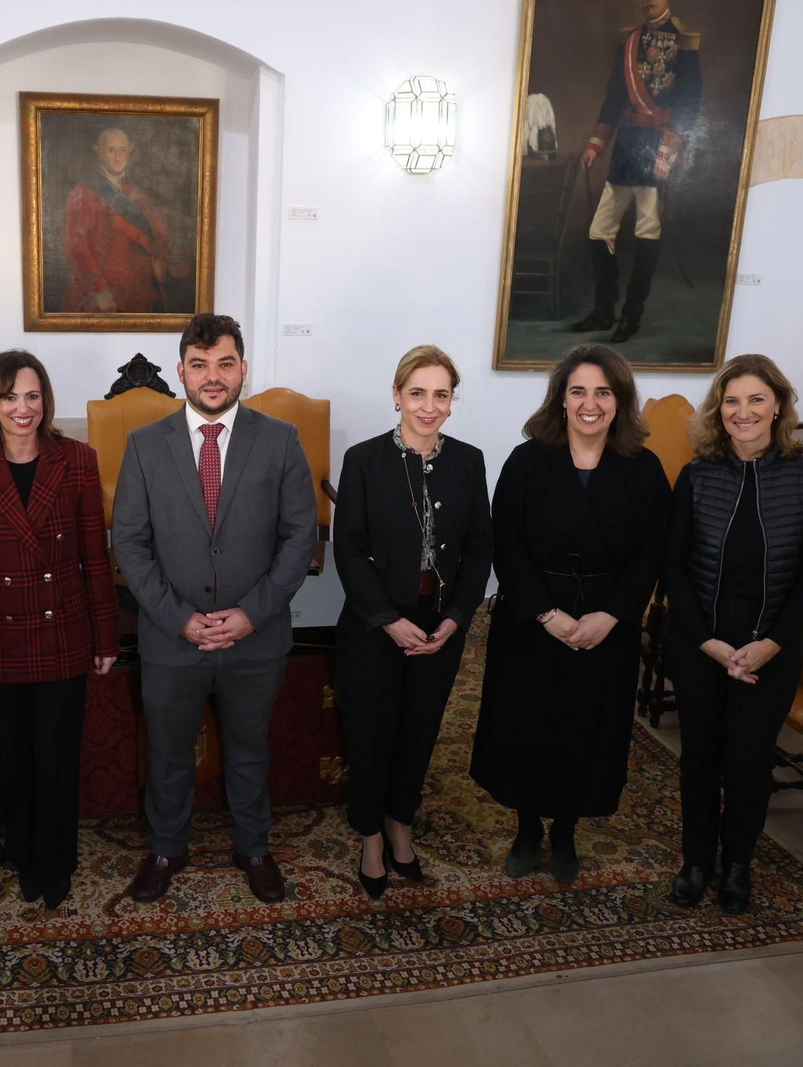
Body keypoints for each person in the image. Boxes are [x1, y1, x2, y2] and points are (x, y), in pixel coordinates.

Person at [112, 312, 317, 904]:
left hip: (255, 637)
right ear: (180, 372)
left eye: (225, 364)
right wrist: (178, 617)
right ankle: (165, 848)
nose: (212, 376)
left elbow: (299, 536)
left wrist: (251, 613)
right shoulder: (145, 446)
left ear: (243, 369)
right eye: (199, 365)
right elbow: (128, 542)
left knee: (250, 749)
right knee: (170, 752)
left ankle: (254, 846)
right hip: (172, 638)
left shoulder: (279, 439)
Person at [470, 345, 670, 884]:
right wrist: (544, 613)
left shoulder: (644, 469)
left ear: (620, 401)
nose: (590, 403)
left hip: (607, 625)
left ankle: (566, 833)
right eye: (578, 390)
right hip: (534, 622)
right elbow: (504, 541)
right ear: (561, 399)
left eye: (603, 392)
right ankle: (528, 827)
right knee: (527, 727)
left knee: (588, 730)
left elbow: (654, 550)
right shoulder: (527, 460)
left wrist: (613, 614)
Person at [0, 349, 119, 909]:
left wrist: (105, 636)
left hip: (63, 630)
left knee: (57, 753)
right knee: (13, 757)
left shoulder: (79, 460)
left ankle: (57, 859)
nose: (22, 408)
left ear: (46, 401)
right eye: (10, 396)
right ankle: (24, 853)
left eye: (32, 396)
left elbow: (97, 554)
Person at [663, 354, 803, 915]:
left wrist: (771, 643)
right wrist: (708, 642)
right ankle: (695, 861)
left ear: (778, 405)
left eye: (756, 400)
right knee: (700, 758)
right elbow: (674, 569)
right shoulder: (697, 474)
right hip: (702, 642)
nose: (743, 412)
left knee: (749, 761)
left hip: (772, 644)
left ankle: (737, 865)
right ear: (719, 409)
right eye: (732, 401)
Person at [334, 345, 493, 898]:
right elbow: (348, 551)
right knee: (372, 731)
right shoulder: (363, 459)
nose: (429, 406)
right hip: (374, 624)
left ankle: (402, 822)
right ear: (397, 396)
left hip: (439, 623)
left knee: (420, 729)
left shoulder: (469, 461)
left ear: (452, 401)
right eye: (418, 393)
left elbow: (478, 550)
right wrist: (386, 619)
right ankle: (370, 835)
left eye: (441, 395)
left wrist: (456, 618)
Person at [570, 0, 702, 344]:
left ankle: (632, 314)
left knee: (647, 232)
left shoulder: (683, 40)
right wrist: (597, 144)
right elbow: (614, 97)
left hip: (656, 149)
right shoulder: (630, 41)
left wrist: (667, 152)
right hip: (626, 148)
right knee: (600, 231)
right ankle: (604, 309)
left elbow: (689, 101)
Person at [61, 126, 174, 314]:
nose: (117, 157)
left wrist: (158, 260)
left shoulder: (135, 194)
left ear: (130, 151)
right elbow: (76, 246)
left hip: (138, 295)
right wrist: (100, 290)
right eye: (111, 150)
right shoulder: (83, 193)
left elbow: (159, 232)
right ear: (100, 152)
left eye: (122, 150)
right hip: (103, 297)